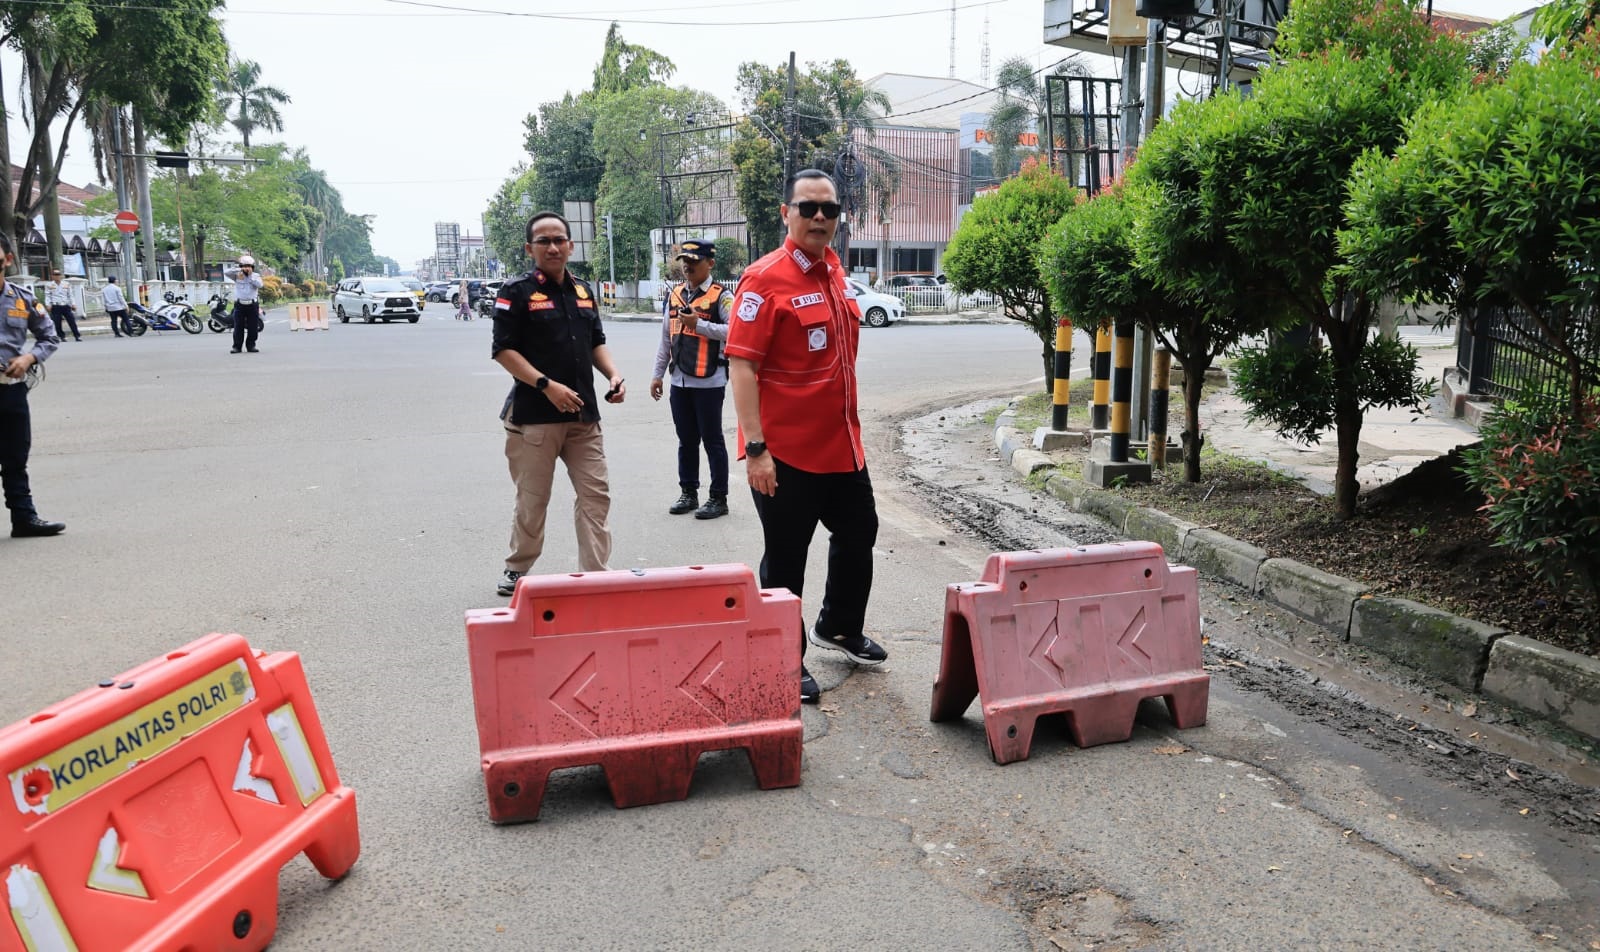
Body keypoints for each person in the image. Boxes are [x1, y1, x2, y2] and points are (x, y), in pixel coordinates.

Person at [725, 169, 888, 705]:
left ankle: (838, 626)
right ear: (785, 213)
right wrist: (755, 449)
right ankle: (780, 658)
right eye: (808, 207)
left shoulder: (835, 271)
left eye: (830, 210)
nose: (820, 218)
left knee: (859, 531)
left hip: (843, 446)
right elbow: (743, 369)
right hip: (785, 454)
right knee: (787, 558)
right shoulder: (763, 280)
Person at [491, 210, 626, 597]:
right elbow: (503, 351)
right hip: (535, 418)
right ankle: (517, 568)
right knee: (533, 500)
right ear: (530, 248)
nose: (553, 247)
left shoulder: (583, 290)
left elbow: (595, 341)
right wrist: (546, 385)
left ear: (570, 245)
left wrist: (613, 375)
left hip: (583, 417)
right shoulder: (515, 292)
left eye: (559, 240)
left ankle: (596, 574)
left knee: (595, 496)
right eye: (544, 241)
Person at [650, 239, 734, 520]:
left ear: (710, 263)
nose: (687, 266)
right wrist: (657, 375)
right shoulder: (675, 295)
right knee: (686, 440)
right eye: (685, 261)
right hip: (680, 382)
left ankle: (718, 498)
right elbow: (666, 339)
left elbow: (735, 332)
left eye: (694, 261)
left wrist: (699, 325)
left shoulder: (721, 297)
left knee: (712, 440)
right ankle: (689, 492)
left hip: (710, 383)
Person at [0, 232, 65, 538]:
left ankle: (24, 519)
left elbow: (49, 336)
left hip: (11, 390)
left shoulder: (23, 299)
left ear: (7, 260)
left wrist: (29, 359)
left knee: (15, 456)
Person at [225, 255, 264, 353]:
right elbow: (226, 272)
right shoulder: (237, 275)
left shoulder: (255, 276)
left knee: (253, 327)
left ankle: (251, 346)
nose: (247, 268)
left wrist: (250, 276)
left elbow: (260, 285)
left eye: (249, 266)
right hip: (239, 305)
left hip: (252, 305)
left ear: (252, 267)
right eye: (244, 266)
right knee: (238, 326)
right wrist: (239, 269)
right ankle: (237, 347)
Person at [44, 270, 80, 341]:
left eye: (58, 274)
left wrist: (73, 304)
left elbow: (70, 295)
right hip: (56, 305)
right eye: (55, 274)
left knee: (72, 321)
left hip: (66, 305)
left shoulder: (66, 284)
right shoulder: (49, 285)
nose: (57, 276)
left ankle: (77, 336)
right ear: (52, 276)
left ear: (61, 276)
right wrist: (48, 304)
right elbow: (47, 295)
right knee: (57, 322)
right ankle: (61, 336)